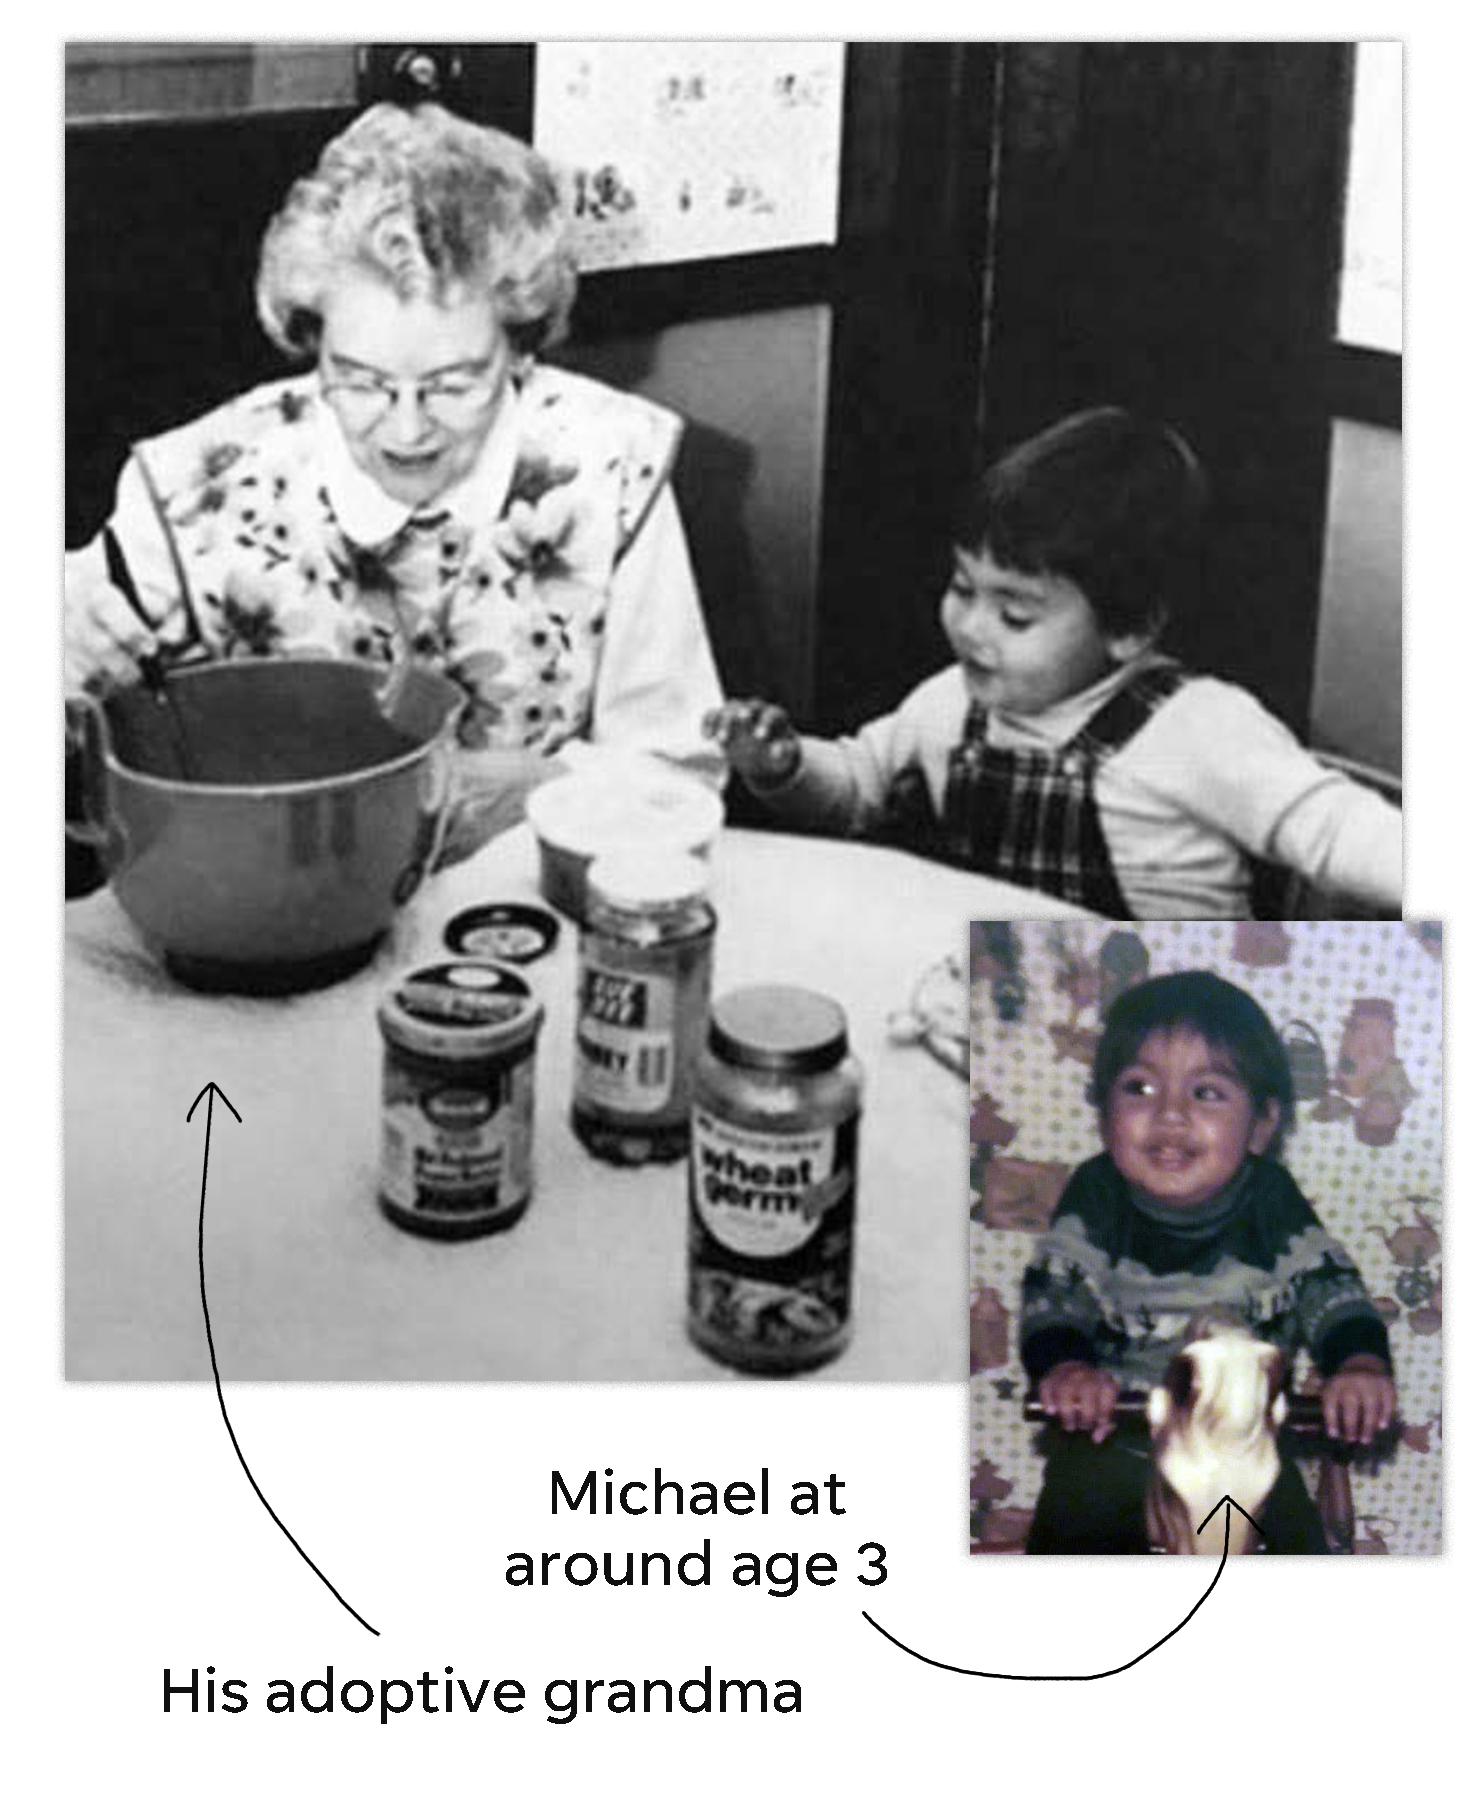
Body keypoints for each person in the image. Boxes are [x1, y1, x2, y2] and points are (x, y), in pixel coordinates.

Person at [63, 102, 724, 860]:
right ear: (311, 337)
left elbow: (676, 776)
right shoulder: (190, 485)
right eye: (360, 380)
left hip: (524, 906)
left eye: (454, 382)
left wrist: (528, 785)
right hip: (261, 912)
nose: (406, 430)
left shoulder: (612, 467)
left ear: (519, 342)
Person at [705, 408, 1400, 918]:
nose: (971, 626)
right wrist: (785, 768)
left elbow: (1337, 830)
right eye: (960, 588)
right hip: (1011, 1016)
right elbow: (855, 792)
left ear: (1128, 629)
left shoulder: (1199, 728)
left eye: (1015, 614)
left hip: (1179, 1038)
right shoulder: (947, 703)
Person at [1016, 971, 1395, 1559]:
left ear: (1262, 1126)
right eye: (1139, 1087)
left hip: (1242, 1442)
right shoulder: (1095, 1193)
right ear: (1102, 1111)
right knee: (1069, 1536)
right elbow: (1055, 1293)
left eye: (1207, 1092)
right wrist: (1066, 1367)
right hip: (1113, 1437)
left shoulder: (1271, 1200)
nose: (1169, 1114)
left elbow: (1329, 1288)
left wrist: (1361, 1363)